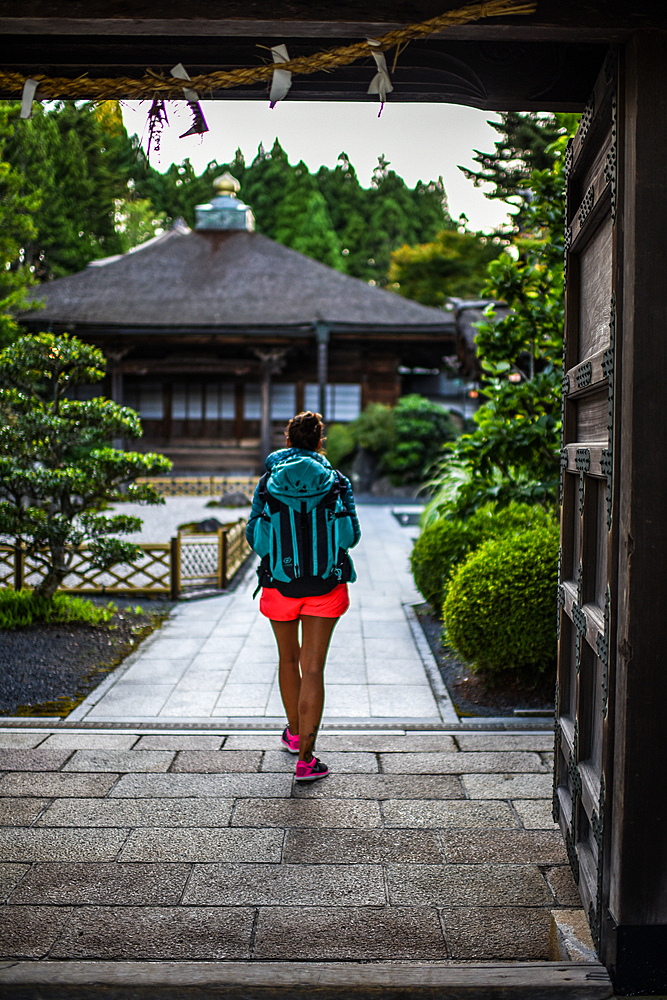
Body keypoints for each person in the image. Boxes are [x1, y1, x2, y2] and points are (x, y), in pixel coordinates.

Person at [246, 411, 361, 782]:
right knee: (313, 668)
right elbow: (348, 538)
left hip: (280, 585)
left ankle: (294, 735)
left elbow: (257, 539)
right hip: (326, 585)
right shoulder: (337, 481)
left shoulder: (269, 481)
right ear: (319, 442)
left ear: (288, 441)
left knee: (287, 659)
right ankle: (307, 760)